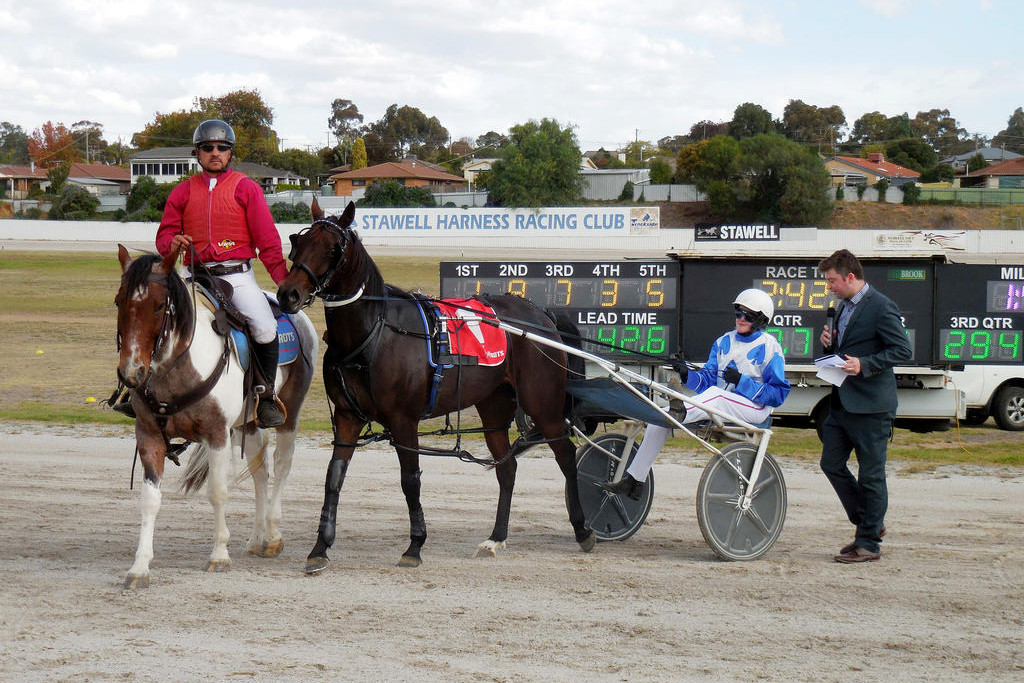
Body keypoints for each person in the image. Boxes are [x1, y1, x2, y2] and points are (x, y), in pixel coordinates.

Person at [155, 119, 289, 428]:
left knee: (266, 326)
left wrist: (282, 279)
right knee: (155, 319)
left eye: (222, 148)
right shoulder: (182, 192)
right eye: (208, 148)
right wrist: (172, 243)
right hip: (191, 275)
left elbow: (267, 241)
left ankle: (265, 396)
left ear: (230, 154)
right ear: (197, 153)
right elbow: (164, 238)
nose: (215, 153)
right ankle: (141, 390)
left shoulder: (247, 189)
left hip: (236, 276)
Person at [599, 288, 790, 499]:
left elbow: (778, 395)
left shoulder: (771, 347)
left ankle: (679, 412)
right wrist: (686, 373)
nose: (741, 319)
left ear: (761, 319)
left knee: (716, 396)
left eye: (748, 315)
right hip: (719, 405)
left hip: (755, 410)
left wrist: (741, 382)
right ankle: (635, 481)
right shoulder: (722, 342)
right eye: (738, 313)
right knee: (659, 418)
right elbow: (706, 383)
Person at [818, 249, 912, 563]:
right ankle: (871, 522)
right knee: (830, 463)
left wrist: (865, 364)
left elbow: (902, 350)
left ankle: (869, 543)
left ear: (850, 277)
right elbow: (846, 348)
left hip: (872, 407)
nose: (828, 286)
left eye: (832, 280)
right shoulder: (842, 307)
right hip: (843, 402)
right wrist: (829, 344)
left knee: (871, 476)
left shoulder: (882, 307)